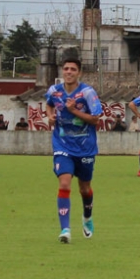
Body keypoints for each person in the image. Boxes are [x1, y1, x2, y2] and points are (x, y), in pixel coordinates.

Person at [45, 56, 102, 243]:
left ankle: (87, 216)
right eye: (66, 68)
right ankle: (65, 230)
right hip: (62, 145)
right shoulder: (54, 90)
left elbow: (95, 118)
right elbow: (49, 104)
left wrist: (74, 111)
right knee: (64, 183)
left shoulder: (87, 92)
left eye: (73, 69)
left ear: (79, 73)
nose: (69, 72)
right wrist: (51, 116)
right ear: (62, 71)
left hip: (85, 147)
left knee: (85, 189)